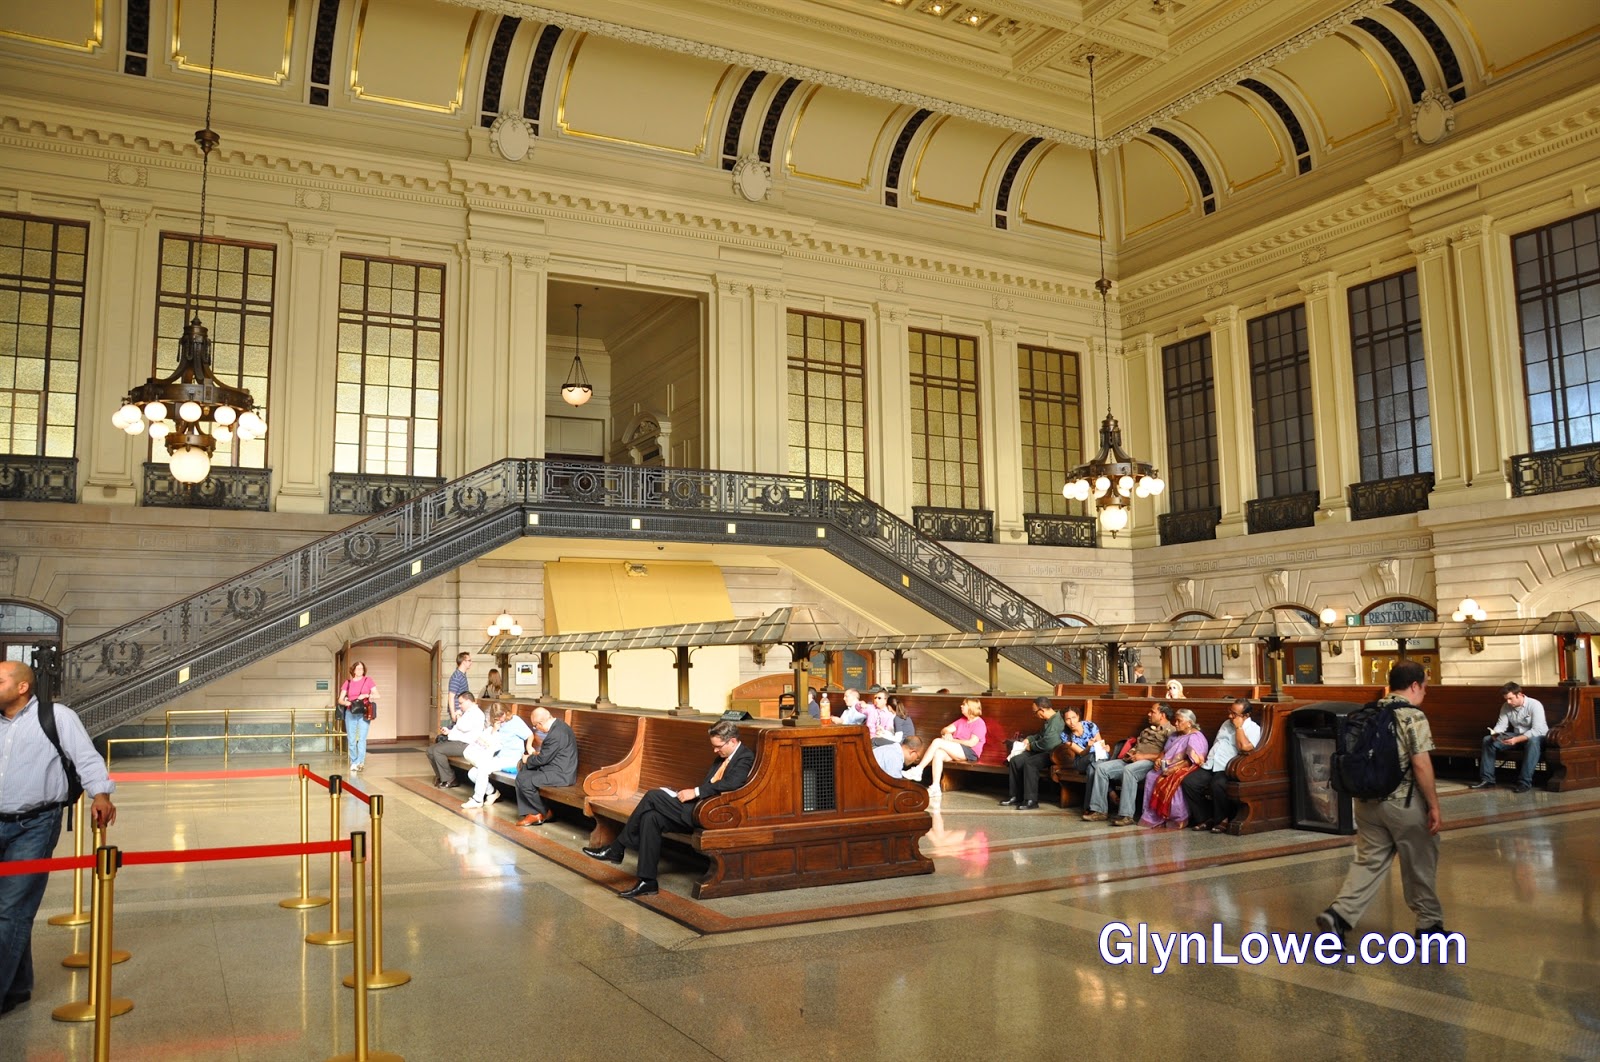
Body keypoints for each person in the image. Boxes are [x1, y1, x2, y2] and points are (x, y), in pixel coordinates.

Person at [0, 661, 117, 1017]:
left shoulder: (57, 717)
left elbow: (86, 757)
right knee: (10, 911)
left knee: (10, 910)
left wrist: (101, 795)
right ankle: (17, 986)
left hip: (35, 825)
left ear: (22, 687)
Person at [1317, 661, 1445, 945]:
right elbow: (1421, 764)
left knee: (1369, 861)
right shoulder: (1411, 716)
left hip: (1366, 803)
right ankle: (1429, 925)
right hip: (1403, 803)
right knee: (1419, 862)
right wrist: (1434, 805)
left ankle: (1339, 914)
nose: (1424, 692)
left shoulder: (1368, 711)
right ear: (1414, 685)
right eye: (1424, 686)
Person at [583, 721, 754, 899]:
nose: (715, 751)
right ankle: (647, 881)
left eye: (718, 746)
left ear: (732, 741)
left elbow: (732, 784)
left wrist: (695, 792)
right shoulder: (722, 756)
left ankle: (617, 848)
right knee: (651, 817)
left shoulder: (744, 757)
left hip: (713, 815)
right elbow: (712, 784)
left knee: (652, 796)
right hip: (702, 808)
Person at [1083, 703, 1174, 826]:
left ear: (1162, 715)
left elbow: (1168, 754)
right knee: (1101, 768)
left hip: (1149, 763)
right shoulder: (1147, 730)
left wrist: (1142, 757)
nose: (1149, 714)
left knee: (1129, 771)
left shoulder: (1171, 732)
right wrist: (1131, 752)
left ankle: (1127, 815)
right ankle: (1099, 810)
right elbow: (1137, 746)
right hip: (1133, 760)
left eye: (1152, 712)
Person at [1181, 698, 1261, 832]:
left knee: (1217, 784)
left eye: (1234, 714)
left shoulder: (1253, 728)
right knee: (1190, 782)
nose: (1230, 716)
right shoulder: (1225, 723)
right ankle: (1205, 818)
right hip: (1211, 763)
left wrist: (1239, 727)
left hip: (1229, 767)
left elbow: (1244, 748)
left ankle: (1222, 819)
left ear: (1246, 716)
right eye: (1230, 711)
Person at [1470, 682, 1548, 793]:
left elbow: (1537, 730)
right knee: (1487, 740)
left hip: (1538, 737)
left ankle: (1524, 783)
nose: (1508, 702)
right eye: (1506, 699)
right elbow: (1502, 725)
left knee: (1533, 742)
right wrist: (1495, 734)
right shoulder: (1506, 706)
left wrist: (1516, 740)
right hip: (1517, 735)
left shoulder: (1535, 705)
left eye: (1510, 699)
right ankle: (1487, 779)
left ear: (1520, 694)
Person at [1139, 708, 1209, 828]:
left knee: (1171, 780)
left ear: (1189, 723)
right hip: (1167, 764)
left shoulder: (1195, 737)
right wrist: (1158, 759)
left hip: (1186, 767)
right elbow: (1164, 751)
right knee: (1151, 775)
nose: (1175, 723)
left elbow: (1193, 760)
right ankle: (1154, 814)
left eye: (1179, 721)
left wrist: (1174, 769)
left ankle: (1177, 817)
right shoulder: (1174, 735)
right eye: (1175, 720)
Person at [903, 699, 986, 796]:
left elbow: (971, 743)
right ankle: (935, 787)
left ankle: (918, 769)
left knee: (937, 742)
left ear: (971, 707)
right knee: (938, 753)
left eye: (964, 705)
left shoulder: (979, 723)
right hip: (957, 749)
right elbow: (944, 730)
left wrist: (952, 740)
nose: (961, 706)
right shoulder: (962, 721)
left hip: (970, 752)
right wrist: (947, 733)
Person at [515, 707, 577, 826]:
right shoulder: (558, 727)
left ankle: (542, 812)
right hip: (555, 768)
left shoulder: (556, 733)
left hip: (561, 774)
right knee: (523, 774)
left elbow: (543, 759)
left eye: (535, 726)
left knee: (526, 780)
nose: (536, 728)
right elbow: (549, 754)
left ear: (540, 723)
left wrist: (528, 758)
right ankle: (533, 812)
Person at [464, 705, 532, 809]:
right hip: (499, 757)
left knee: (483, 767)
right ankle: (492, 793)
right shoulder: (496, 725)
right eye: (497, 717)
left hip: (513, 758)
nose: (501, 719)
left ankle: (477, 800)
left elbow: (529, 735)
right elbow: (491, 743)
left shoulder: (515, 721)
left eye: (502, 715)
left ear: (506, 712)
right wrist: (495, 729)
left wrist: (529, 746)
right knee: (472, 773)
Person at [1001, 697, 1063, 811]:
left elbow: (1049, 743)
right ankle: (1015, 796)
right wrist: (1029, 739)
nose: (1035, 715)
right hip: (1041, 750)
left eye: (1035, 712)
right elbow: (1041, 735)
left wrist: (1032, 746)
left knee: (1030, 763)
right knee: (1016, 760)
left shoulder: (1056, 722)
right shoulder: (1049, 720)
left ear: (1042, 710)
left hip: (1053, 753)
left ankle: (1031, 800)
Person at [427, 690, 484, 788]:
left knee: (438, 751)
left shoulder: (476, 713)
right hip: (458, 741)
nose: (460, 706)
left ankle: (450, 778)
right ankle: (441, 776)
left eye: (461, 703)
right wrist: (449, 732)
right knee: (430, 750)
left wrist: (458, 716)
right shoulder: (467, 712)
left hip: (466, 744)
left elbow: (464, 727)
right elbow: (459, 729)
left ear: (468, 701)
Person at [337, 660, 377, 774]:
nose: (361, 671)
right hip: (351, 712)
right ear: (353, 670)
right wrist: (346, 703)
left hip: (364, 711)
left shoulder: (368, 680)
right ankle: (354, 761)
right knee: (351, 739)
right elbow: (340, 699)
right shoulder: (348, 683)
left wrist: (367, 695)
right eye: (358, 668)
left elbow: (377, 694)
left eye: (362, 669)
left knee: (362, 739)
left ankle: (360, 762)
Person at [1058, 708, 1100, 774]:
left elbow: (1100, 745)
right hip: (1081, 761)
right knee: (1093, 757)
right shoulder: (1065, 735)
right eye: (1068, 719)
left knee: (1091, 770)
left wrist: (1106, 748)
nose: (1072, 722)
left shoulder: (1090, 725)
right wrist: (1088, 747)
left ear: (1078, 716)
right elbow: (1082, 753)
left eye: (1074, 717)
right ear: (1064, 721)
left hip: (1098, 759)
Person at [443, 651, 472, 735]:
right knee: (457, 732)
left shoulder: (462, 675)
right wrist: (453, 713)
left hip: (461, 710)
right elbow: (451, 696)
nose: (471, 662)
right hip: (457, 711)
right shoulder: (456, 677)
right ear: (463, 662)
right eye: (469, 660)